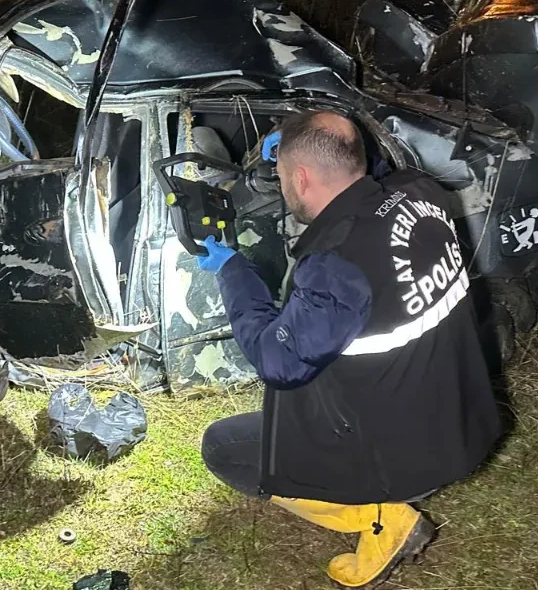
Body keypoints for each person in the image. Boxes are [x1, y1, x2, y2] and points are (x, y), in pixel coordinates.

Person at [195, 110, 502, 588]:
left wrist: (233, 269)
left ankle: (382, 520)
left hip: (409, 458)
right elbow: (371, 177)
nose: (278, 183)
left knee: (225, 447)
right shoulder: (421, 192)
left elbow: (278, 362)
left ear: (300, 176)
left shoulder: (337, 264)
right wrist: (302, 139)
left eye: (280, 175)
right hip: (464, 422)